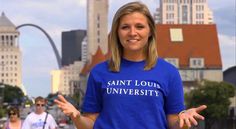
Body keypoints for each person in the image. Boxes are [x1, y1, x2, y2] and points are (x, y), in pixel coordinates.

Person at [54, 2, 207, 129]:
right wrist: (77, 117)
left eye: (139, 27)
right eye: (125, 27)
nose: (132, 32)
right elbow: (90, 123)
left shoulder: (169, 73)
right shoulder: (99, 72)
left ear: (150, 32)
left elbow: (172, 122)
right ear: (117, 32)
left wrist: (184, 122)